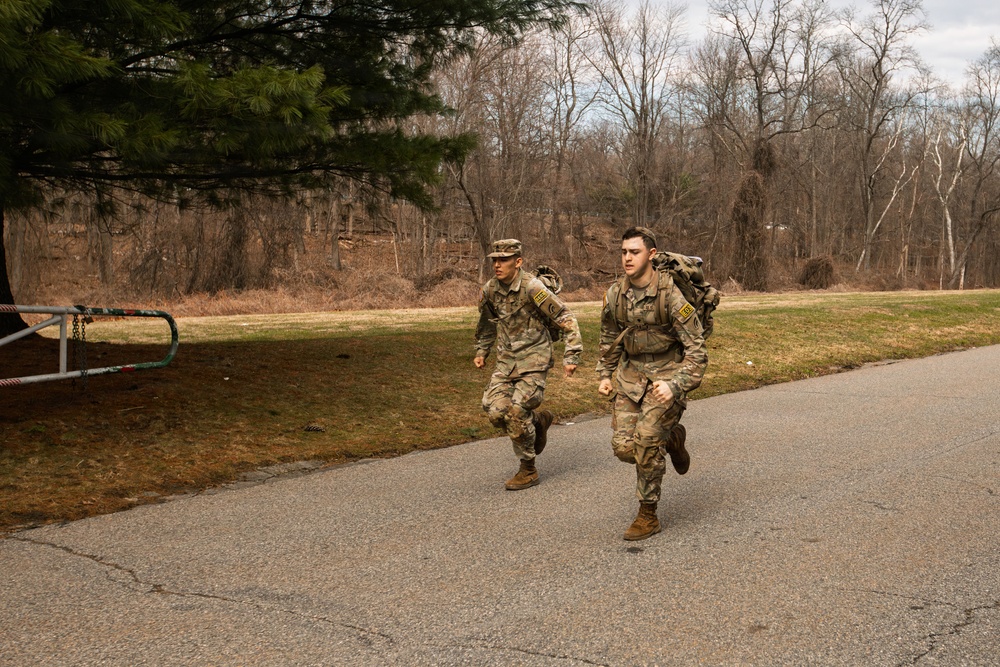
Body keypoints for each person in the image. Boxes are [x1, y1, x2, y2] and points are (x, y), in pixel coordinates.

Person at [596, 227, 708, 540]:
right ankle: (671, 440)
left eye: (635, 252)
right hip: (631, 379)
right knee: (623, 448)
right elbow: (609, 337)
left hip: (668, 376)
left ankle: (648, 514)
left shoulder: (671, 295)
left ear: (652, 254)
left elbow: (698, 352)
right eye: (624, 252)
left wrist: (675, 385)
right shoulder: (615, 294)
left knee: (645, 441)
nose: (627, 258)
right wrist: (604, 374)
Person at [475, 239, 583, 490]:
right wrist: (482, 350)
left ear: (518, 262)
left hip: (534, 358)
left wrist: (572, 356)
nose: (497, 264)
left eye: (503, 259)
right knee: (493, 410)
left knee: (516, 411)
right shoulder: (490, 289)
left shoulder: (533, 288)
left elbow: (566, 317)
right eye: (495, 260)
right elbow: (485, 322)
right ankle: (537, 422)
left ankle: (528, 469)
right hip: (506, 360)